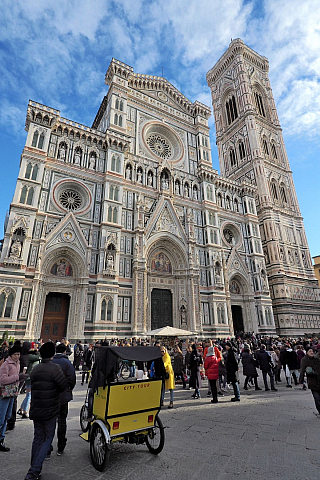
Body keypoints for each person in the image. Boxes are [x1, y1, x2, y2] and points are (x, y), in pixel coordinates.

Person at [24, 342, 67, 480]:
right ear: (52, 354)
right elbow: (63, 386)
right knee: (47, 438)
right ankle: (34, 471)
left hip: (36, 408)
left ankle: (34, 467)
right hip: (50, 410)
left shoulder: (35, 369)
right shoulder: (55, 368)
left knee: (37, 438)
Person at [0, 344, 28, 452]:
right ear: (11, 355)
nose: (17, 356)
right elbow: (2, 380)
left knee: (7, 416)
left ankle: (1, 439)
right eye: (15, 354)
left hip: (13, 393)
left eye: (18, 354)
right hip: (5, 393)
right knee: (1, 418)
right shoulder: (6, 365)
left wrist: (21, 378)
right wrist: (18, 377)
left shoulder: (18, 363)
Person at [52, 343, 76, 456]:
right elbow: (72, 379)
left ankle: (47, 448)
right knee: (62, 420)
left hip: (50, 397)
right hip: (62, 397)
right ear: (65, 351)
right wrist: (68, 389)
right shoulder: (67, 362)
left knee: (50, 421)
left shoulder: (49, 361)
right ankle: (60, 447)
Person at [18, 343, 40, 418]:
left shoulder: (29, 355)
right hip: (30, 378)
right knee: (29, 395)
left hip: (31, 378)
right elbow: (39, 357)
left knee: (29, 395)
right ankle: (25, 411)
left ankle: (21, 408)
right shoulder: (30, 356)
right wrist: (37, 351)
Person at [299, 346, 320, 415]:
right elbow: (302, 370)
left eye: (312, 351)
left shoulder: (316, 359)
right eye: (310, 351)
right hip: (312, 381)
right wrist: (301, 380)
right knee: (317, 398)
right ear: (307, 352)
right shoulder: (304, 360)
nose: (312, 352)